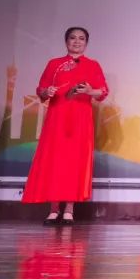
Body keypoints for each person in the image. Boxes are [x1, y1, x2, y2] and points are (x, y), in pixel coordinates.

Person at [22, 26, 108, 224]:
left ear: (86, 43)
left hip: (80, 120)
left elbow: (102, 92)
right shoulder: (54, 64)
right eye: (72, 38)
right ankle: (54, 209)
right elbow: (41, 89)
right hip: (57, 118)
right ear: (66, 41)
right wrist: (47, 91)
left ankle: (69, 209)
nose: (77, 42)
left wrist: (89, 91)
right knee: (55, 161)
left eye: (81, 38)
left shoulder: (93, 65)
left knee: (74, 162)